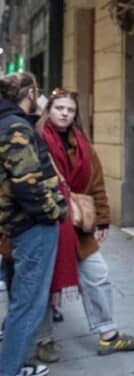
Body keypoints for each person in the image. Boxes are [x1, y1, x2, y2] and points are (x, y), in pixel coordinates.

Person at [35, 88, 134, 361]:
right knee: (45, 282)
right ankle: (43, 339)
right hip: (46, 225)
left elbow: (96, 184)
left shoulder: (82, 143)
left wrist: (103, 218)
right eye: (59, 108)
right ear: (49, 111)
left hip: (79, 225)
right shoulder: (35, 140)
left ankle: (108, 335)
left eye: (70, 110)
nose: (65, 114)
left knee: (97, 275)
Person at [0, 72, 66, 376]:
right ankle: (9, 369)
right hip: (32, 226)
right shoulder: (15, 126)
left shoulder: (9, 122)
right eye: (37, 93)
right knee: (28, 304)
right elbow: (27, 184)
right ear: (28, 93)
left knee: (23, 300)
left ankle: (13, 364)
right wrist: (54, 212)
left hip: (20, 224)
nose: (40, 99)